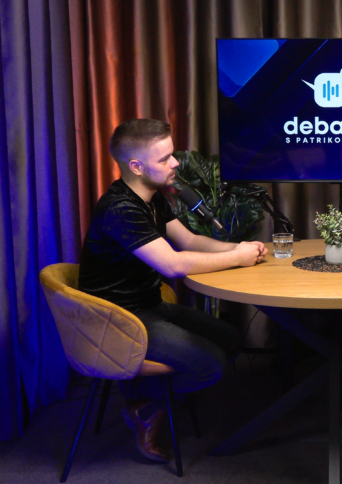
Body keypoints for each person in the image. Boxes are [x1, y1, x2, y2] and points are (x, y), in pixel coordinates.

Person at [78, 119, 267, 463]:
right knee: (211, 366)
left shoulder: (151, 198)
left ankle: (152, 397)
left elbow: (189, 241)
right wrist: (236, 259)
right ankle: (144, 405)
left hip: (149, 304)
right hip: (118, 318)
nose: (176, 163)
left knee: (230, 339)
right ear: (136, 167)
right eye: (165, 158)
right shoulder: (121, 208)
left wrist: (238, 249)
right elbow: (173, 265)